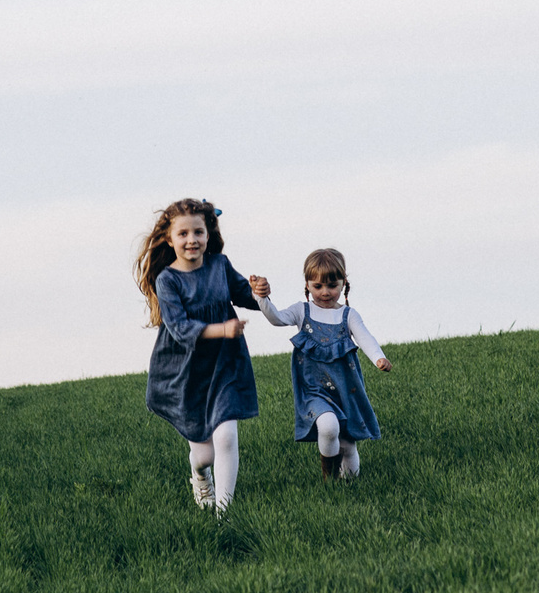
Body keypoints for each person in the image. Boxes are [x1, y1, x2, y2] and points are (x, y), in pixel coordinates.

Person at [135, 197, 262, 514]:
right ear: (170, 238)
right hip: (186, 371)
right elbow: (179, 328)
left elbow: (244, 295)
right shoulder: (167, 280)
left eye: (198, 232)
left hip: (225, 364)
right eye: (183, 234)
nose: (192, 240)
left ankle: (225, 514)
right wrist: (222, 329)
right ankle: (200, 475)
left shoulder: (219, 265)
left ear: (208, 234)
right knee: (205, 455)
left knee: (227, 437)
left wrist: (259, 291)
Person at [255, 247, 388, 480]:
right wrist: (262, 298)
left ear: (344, 283)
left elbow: (365, 338)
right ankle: (330, 481)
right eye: (317, 286)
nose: (325, 292)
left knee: (347, 445)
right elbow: (276, 318)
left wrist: (378, 357)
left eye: (332, 286)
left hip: (346, 388)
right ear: (307, 284)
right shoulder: (301, 311)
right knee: (327, 427)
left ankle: (350, 487)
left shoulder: (348, 315)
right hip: (313, 389)